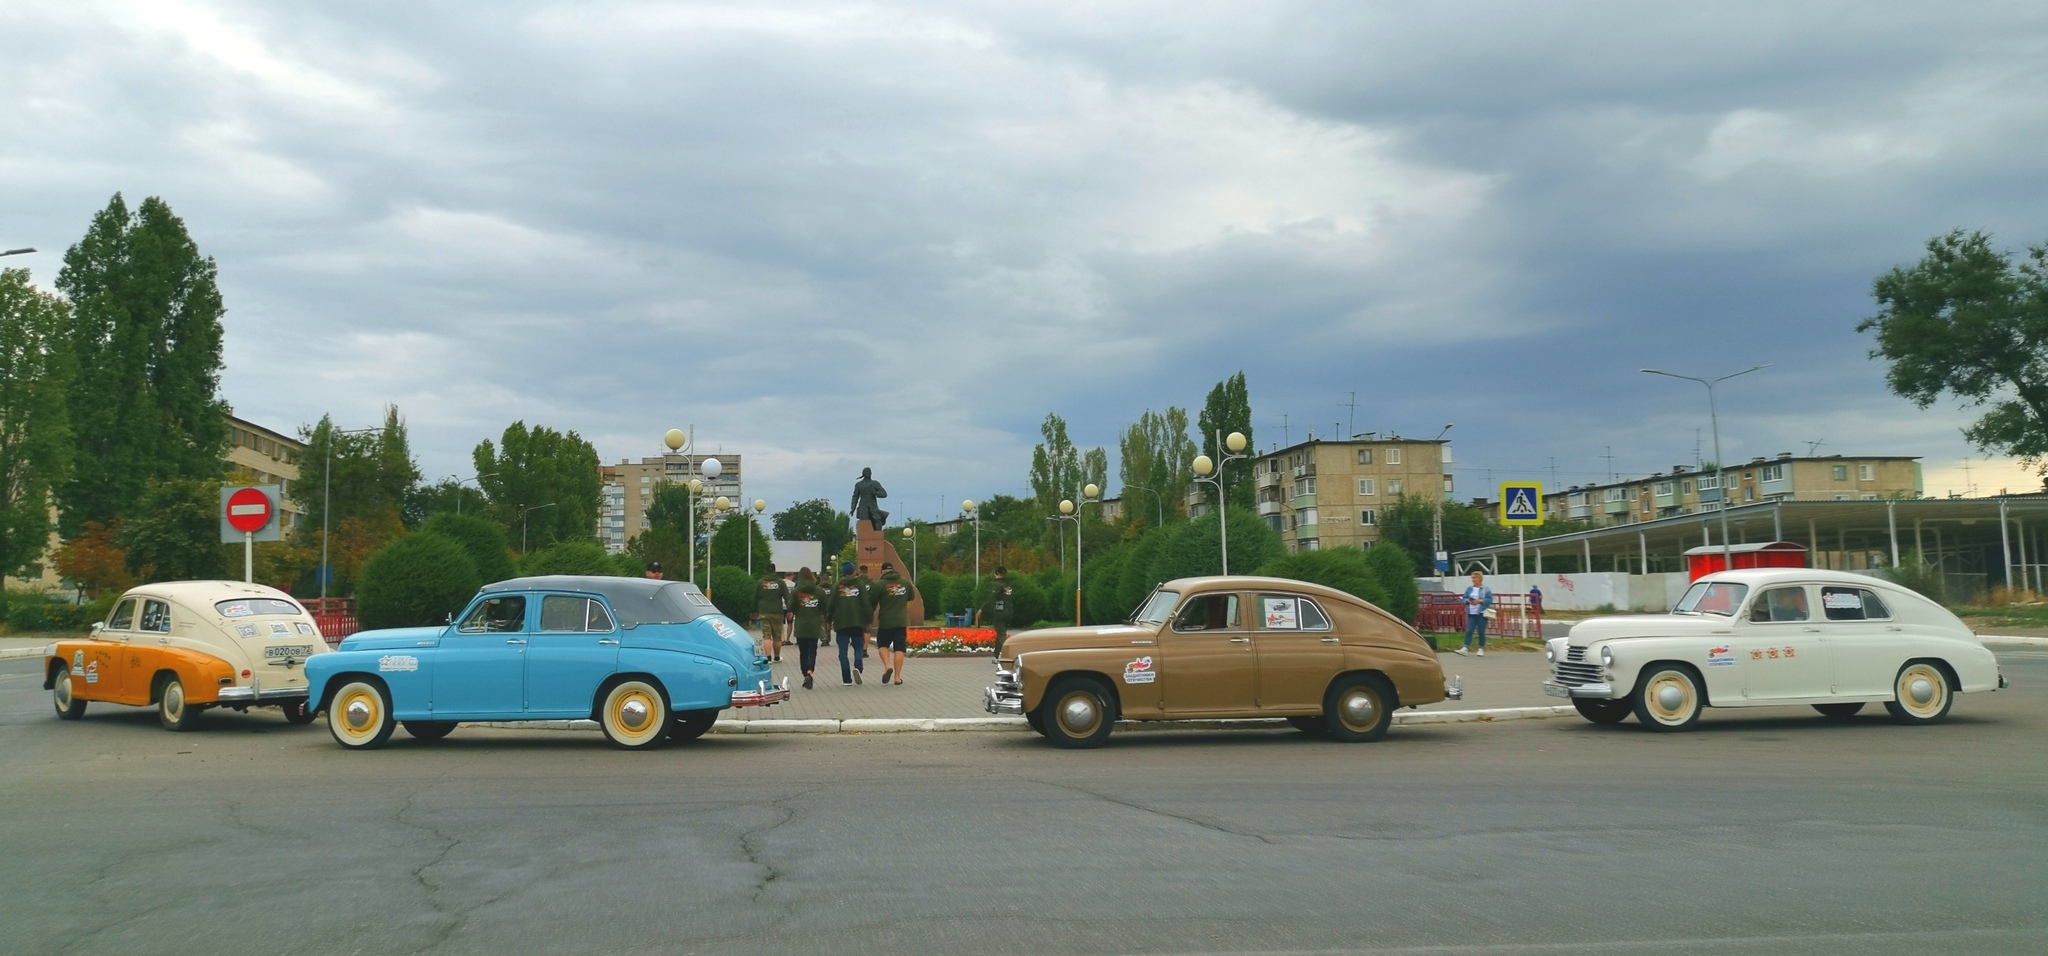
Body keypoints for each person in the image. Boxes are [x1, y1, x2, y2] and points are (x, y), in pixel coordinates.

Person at [871, 561, 917, 685]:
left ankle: (887, 666)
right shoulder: (905, 583)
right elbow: (911, 597)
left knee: (882, 645)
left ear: (882, 571)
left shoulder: (880, 584)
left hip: (886, 621)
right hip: (901, 621)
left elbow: (872, 601)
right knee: (899, 648)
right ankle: (897, 677)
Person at [787, 567, 830, 690]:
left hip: (801, 625)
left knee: (803, 653)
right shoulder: (819, 591)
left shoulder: (795, 592)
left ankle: (805, 674)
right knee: (812, 651)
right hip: (814, 625)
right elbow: (824, 608)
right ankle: (810, 672)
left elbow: (791, 607)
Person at [831, 562, 871, 685]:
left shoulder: (837, 585)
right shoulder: (860, 584)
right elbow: (865, 603)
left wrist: (829, 618)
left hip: (841, 622)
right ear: (853, 571)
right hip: (858, 621)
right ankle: (858, 665)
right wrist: (868, 619)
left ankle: (846, 678)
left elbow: (831, 603)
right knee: (858, 646)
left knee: (842, 651)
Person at [975, 567, 1015, 658]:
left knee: (1001, 635)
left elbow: (992, 598)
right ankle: (996, 655)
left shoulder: (997, 584)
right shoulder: (1008, 585)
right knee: (1001, 633)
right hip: (1008, 610)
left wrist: (982, 609)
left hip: (999, 611)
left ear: (996, 573)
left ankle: (1009, 654)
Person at [754, 564, 790, 662]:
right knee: (777, 636)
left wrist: (753, 611)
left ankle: (768, 658)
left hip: (764, 612)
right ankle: (777, 657)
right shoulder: (780, 582)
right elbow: (787, 598)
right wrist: (790, 610)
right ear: (775, 571)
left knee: (766, 635)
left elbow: (755, 598)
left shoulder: (760, 583)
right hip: (777, 612)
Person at [1457, 571, 1493, 657]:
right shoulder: (1469, 589)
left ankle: (1480, 649)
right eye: (1472, 578)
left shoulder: (1485, 589)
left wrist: (1480, 601)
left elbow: (1489, 599)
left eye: (1475, 578)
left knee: (1481, 631)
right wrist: (1467, 601)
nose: (1473, 579)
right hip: (1471, 612)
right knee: (1469, 630)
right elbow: (1464, 597)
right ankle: (1465, 648)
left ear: (1479, 578)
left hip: (1481, 612)